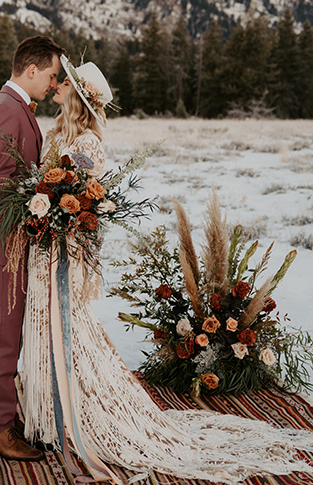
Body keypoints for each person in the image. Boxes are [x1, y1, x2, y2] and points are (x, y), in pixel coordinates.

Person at [20, 54, 313, 484]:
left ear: (79, 98)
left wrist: (57, 209)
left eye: (66, 82)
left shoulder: (86, 144)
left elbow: (80, 194)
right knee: (43, 325)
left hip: (64, 250)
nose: (57, 85)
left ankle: (80, 417)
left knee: (64, 326)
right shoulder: (56, 133)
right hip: (44, 247)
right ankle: (49, 416)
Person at [0, 35, 63, 462]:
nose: (54, 83)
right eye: (52, 74)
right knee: (5, 339)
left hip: (8, 239)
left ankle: (4, 416)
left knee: (10, 336)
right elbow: (0, 183)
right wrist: (49, 195)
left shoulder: (11, 107)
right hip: (1, 240)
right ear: (31, 69)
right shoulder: (7, 110)